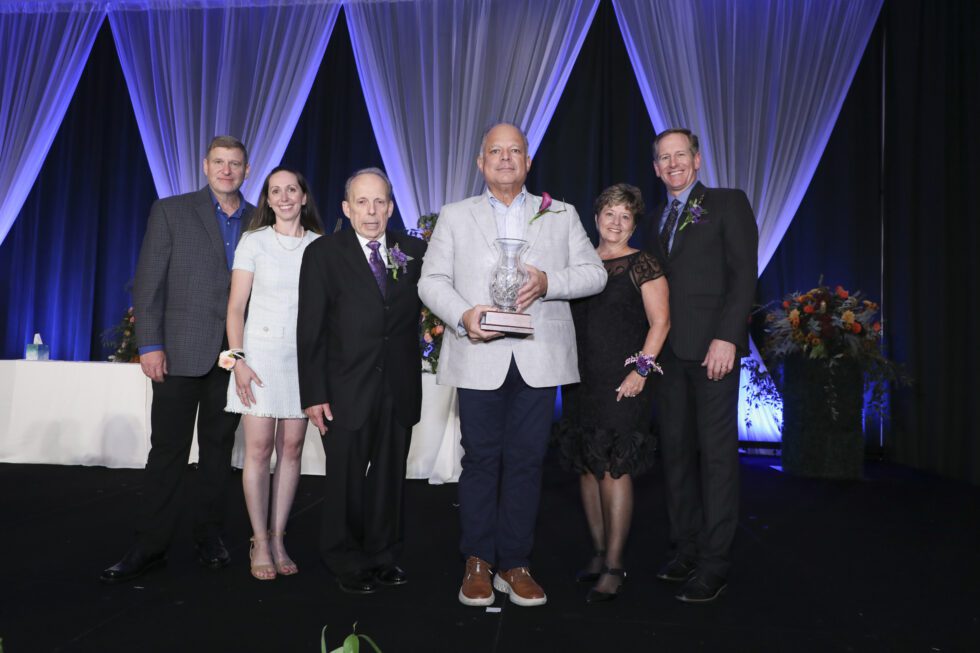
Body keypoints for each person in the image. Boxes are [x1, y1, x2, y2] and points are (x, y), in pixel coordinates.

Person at [419, 122, 606, 607]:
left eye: (514, 151)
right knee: (480, 460)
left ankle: (515, 563)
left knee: (526, 461)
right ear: (481, 163)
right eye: (496, 151)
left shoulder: (560, 213)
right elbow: (430, 280)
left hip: (539, 357)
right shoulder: (455, 215)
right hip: (478, 354)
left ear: (528, 162)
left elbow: (595, 274)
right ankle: (478, 561)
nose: (505, 158)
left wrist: (548, 282)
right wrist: (464, 315)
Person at [101, 136, 254, 583]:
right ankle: (150, 545)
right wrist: (149, 344)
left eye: (235, 163)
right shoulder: (171, 210)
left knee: (218, 453)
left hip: (232, 356)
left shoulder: (259, 220)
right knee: (167, 452)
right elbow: (148, 282)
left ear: (246, 170)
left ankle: (209, 537)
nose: (226, 170)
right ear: (205, 165)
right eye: (219, 162)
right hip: (178, 352)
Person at [296, 167, 426, 595]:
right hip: (344, 389)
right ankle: (344, 558)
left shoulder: (413, 250)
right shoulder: (323, 253)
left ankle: (384, 555)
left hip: (398, 386)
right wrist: (314, 394)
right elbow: (310, 329)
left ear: (391, 207)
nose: (371, 211)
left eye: (379, 202)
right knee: (345, 481)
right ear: (347, 208)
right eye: (362, 202)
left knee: (390, 478)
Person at [647, 128, 758, 603]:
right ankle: (685, 549)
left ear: (696, 160)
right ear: (656, 168)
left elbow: (744, 274)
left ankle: (715, 563)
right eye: (664, 158)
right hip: (668, 356)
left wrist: (728, 337)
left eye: (680, 155)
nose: (673, 163)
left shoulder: (728, 203)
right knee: (675, 455)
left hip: (714, 352)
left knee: (715, 459)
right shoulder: (654, 219)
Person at [556, 183, 669, 603]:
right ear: (596, 217)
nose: (617, 222)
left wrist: (641, 371)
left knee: (613, 468)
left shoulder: (643, 263)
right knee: (588, 464)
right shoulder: (579, 263)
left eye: (626, 216)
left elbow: (661, 323)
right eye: (610, 214)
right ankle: (599, 552)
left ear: (634, 224)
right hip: (580, 380)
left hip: (623, 382)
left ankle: (615, 566)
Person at [223, 167, 323, 580]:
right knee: (259, 449)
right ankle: (259, 540)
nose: (284, 197)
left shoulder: (320, 246)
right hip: (258, 358)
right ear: (267, 199)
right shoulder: (253, 241)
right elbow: (235, 308)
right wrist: (237, 361)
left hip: (302, 361)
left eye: (291, 190)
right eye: (275, 191)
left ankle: (279, 537)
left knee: (292, 449)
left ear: (304, 196)